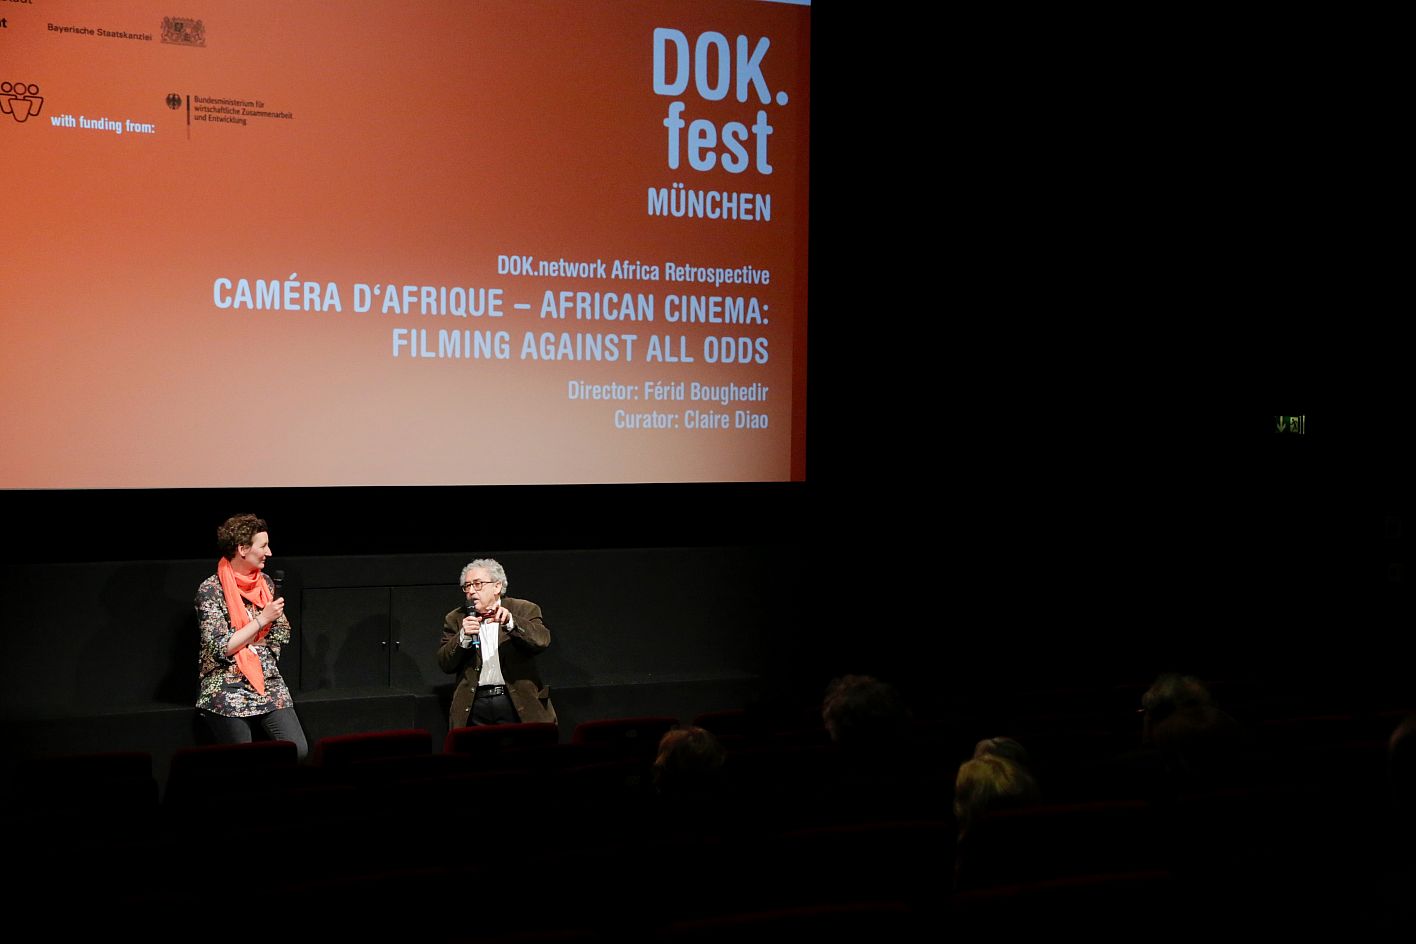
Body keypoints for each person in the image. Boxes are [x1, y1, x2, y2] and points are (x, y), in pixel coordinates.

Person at [194, 514, 308, 759]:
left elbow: (281, 633)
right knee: (243, 759)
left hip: (267, 679)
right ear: (243, 549)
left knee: (298, 751)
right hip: (227, 683)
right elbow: (220, 648)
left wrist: (244, 639)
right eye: (263, 545)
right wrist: (260, 621)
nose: (269, 552)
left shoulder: (265, 582)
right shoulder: (211, 590)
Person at [437, 558, 555, 728]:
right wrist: (462, 637)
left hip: (516, 702)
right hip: (474, 705)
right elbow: (445, 663)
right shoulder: (455, 618)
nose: (471, 591)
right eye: (467, 586)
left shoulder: (524, 608)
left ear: (497, 586)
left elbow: (542, 640)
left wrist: (511, 622)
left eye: (477, 584)